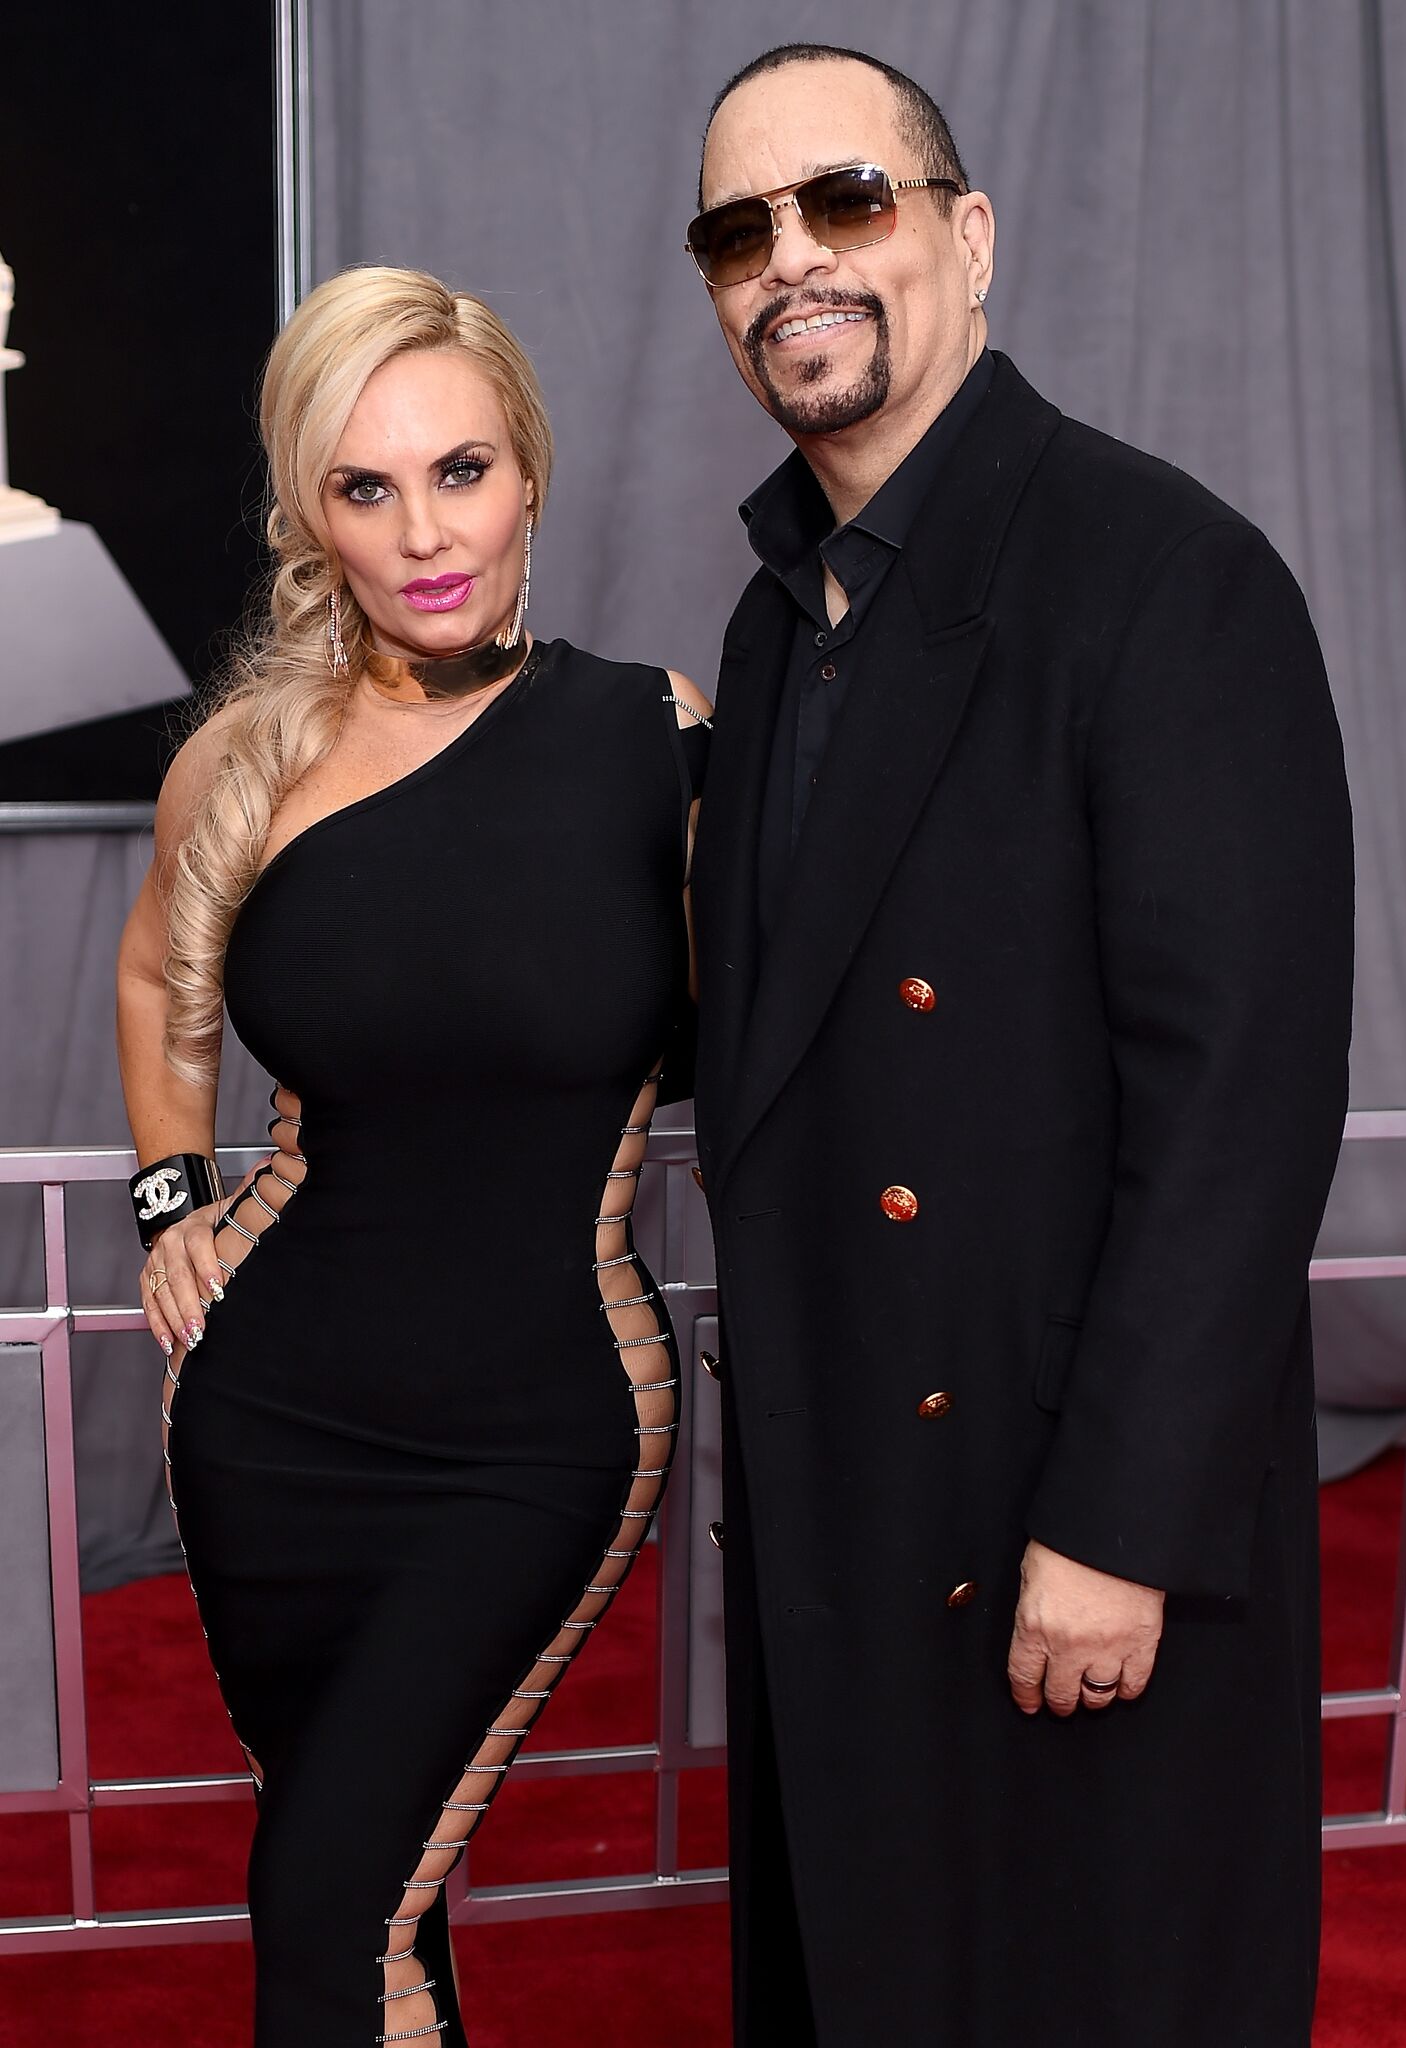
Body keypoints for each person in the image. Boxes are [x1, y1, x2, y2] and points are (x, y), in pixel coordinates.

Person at [680, 41, 1353, 2048]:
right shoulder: (775, 619)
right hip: (845, 1509)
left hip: (1057, 1527)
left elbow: (1239, 1099)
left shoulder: (1166, 577)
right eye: (738, 231)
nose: (788, 259)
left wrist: (1120, 1527)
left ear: (968, 238)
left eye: (845, 203)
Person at [114, 264, 710, 2047]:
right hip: (264, 1416)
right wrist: (171, 1200)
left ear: (527, 470)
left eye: (461, 470)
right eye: (366, 488)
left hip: (540, 1431)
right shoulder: (244, 762)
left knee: (322, 1911)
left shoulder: (657, 741)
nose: (425, 532)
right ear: (311, 512)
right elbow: (157, 974)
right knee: (370, 1893)